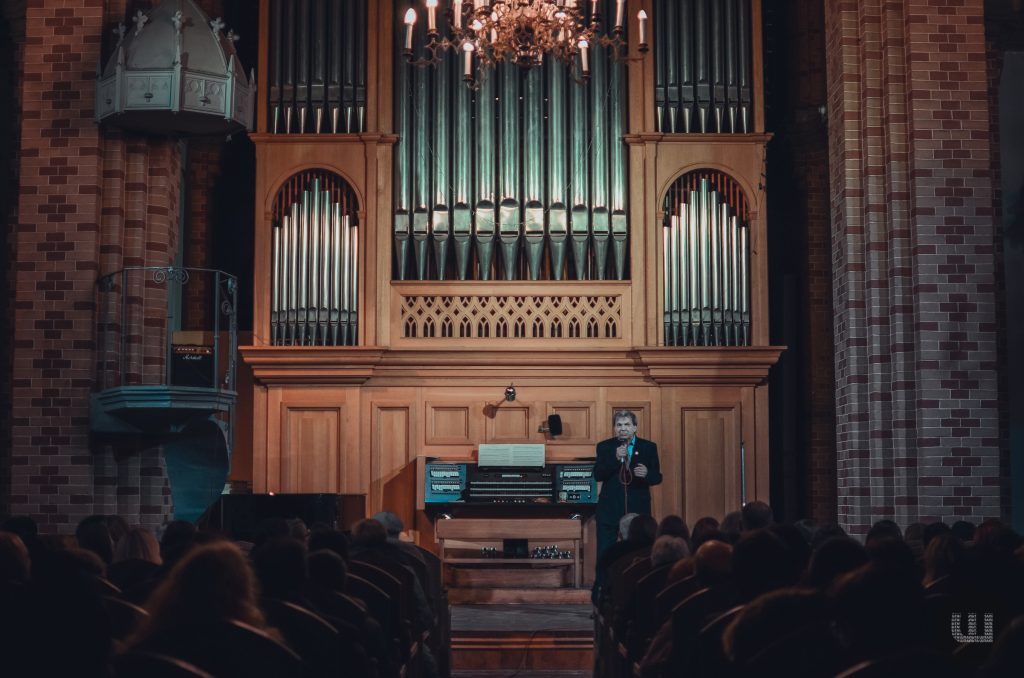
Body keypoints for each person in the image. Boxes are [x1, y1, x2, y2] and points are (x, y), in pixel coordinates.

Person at [593, 409, 662, 560]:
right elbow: (598, 474)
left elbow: (657, 477)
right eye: (619, 425)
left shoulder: (648, 447)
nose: (623, 428)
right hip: (609, 509)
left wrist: (647, 474)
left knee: (639, 552)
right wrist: (616, 458)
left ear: (635, 427)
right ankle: (602, 583)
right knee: (605, 553)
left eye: (627, 424)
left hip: (638, 509)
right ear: (614, 428)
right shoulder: (604, 447)